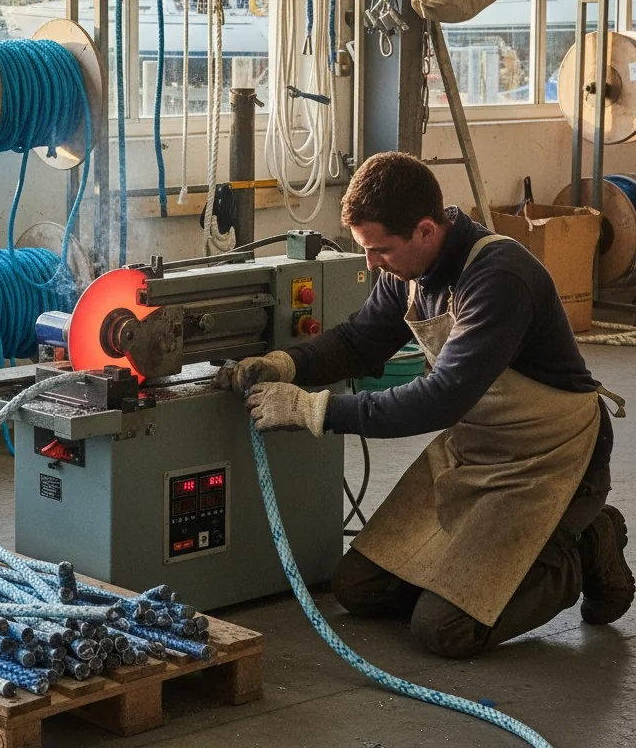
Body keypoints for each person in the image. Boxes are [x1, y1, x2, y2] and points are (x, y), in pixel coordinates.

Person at [217, 151, 632, 658]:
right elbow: (359, 343)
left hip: (548, 461)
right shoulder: (407, 270)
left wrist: (312, 410)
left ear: (427, 230)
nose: (371, 263)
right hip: (477, 448)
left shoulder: (499, 279)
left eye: (380, 250)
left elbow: (439, 402)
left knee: (443, 630)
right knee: (358, 590)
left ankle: (587, 546)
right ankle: (480, 568)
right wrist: (286, 363)